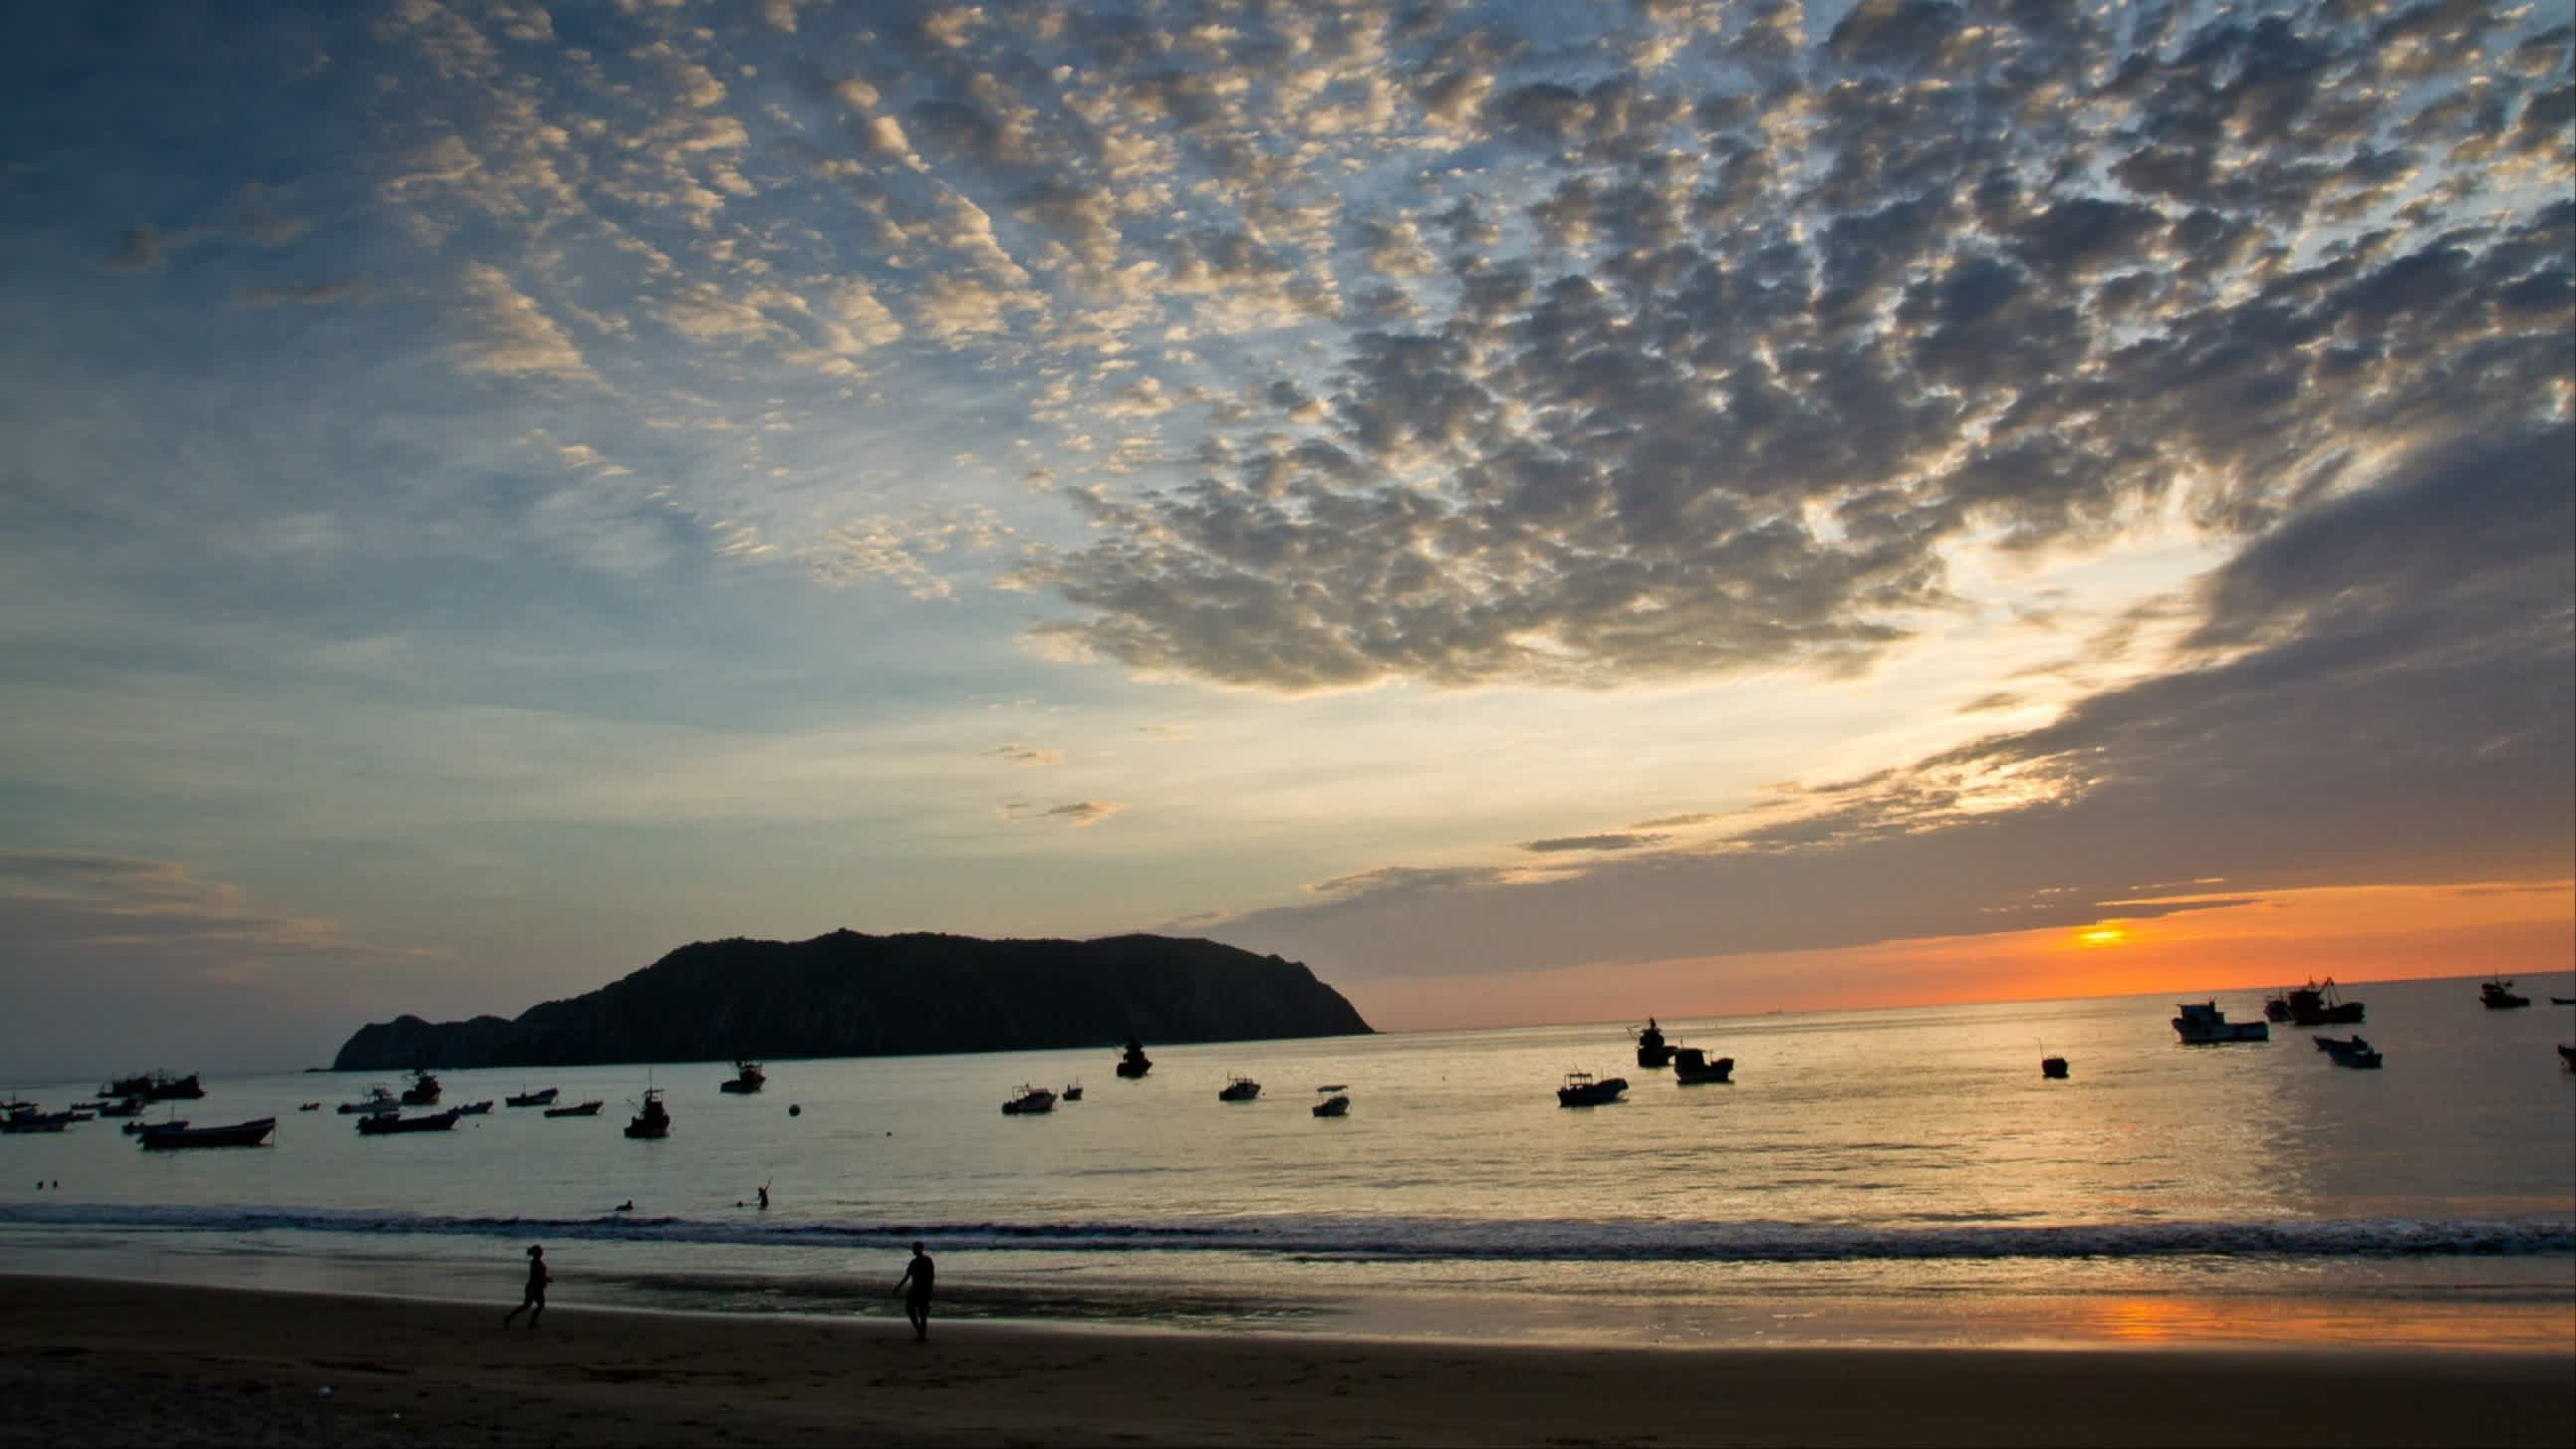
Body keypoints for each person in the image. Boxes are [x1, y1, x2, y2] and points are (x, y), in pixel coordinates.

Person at [893, 1241, 934, 1341]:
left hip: (922, 1289)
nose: (914, 1250)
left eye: (915, 1248)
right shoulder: (914, 1262)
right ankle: (920, 1332)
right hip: (915, 1289)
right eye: (914, 1248)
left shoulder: (927, 1260)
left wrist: (929, 1290)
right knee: (910, 1310)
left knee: (922, 1313)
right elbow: (907, 1277)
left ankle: (922, 1334)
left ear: (920, 1249)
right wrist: (898, 1287)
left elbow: (931, 1277)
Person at [502, 1244, 552, 1328]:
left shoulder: (537, 1262)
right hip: (533, 1288)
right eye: (540, 1251)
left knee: (532, 1305)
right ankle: (512, 1318)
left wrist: (546, 1279)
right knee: (530, 1305)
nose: (542, 1251)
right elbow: (537, 1276)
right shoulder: (535, 1263)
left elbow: (539, 1275)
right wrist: (546, 1279)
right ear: (537, 1253)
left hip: (536, 1287)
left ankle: (528, 1322)